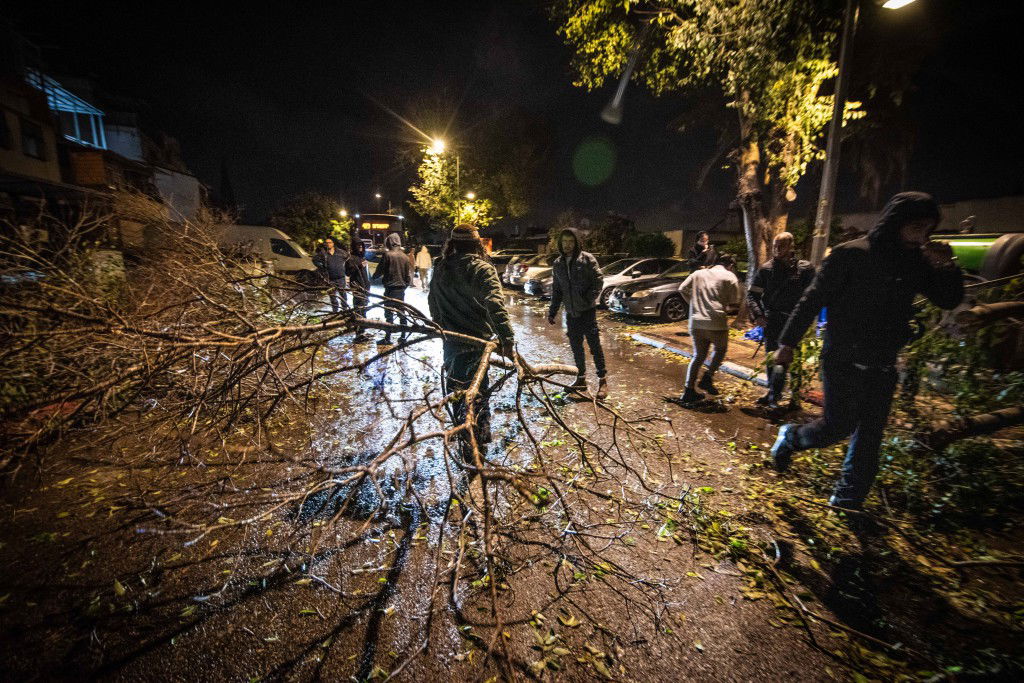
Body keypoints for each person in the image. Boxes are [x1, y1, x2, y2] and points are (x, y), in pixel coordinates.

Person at [770, 192, 964, 511]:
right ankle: (791, 438)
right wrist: (786, 344)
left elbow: (948, 299)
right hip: (843, 358)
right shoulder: (850, 254)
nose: (922, 236)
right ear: (897, 222)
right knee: (838, 426)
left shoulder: (917, 262)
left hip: (884, 362)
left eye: (928, 229)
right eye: (917, 227)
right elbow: (812, 300)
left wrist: (947, 266)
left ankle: (848, 500)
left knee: (871, 435)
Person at [427, 224, 515, 466]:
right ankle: (477, 442)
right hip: (478, 343)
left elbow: (432, 299)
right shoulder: (483, 269)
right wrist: (507, 340)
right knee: (478, 391)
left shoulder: (441, 267)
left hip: (451, 341)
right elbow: (495, 306)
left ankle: (464, 434)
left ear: (452, 244)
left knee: (457, 389)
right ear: (478, 245)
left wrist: (440, 324)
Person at [747, 232, 816, 408]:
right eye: (775, 245)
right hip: (773, 320)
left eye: (781, 245)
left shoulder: (805, 269)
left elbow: (813, 296)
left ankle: (795, 398)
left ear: (791, 246)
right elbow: (752, 295)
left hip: (795, 321)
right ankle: (773, 394)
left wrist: (807, 319)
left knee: (795, 360)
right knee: (773, 358)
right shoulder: (766, 269)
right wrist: (759, 316)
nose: (777, 249)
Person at [547, 228, 608, 399]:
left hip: (587, 312)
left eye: (571, 241)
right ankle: (581, 378)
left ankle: (602, 380)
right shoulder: (558, 263)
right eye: (564, 241)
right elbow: (557, 290)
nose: (567, 245)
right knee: (576, 348)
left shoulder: (587, 259)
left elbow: (598, 280)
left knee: (595, 346)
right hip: (571, 313)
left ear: (577, 242)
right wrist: (552, 311)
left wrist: (588, 299)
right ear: (560, 243)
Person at [677, 253, 741, 403]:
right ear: (730, 265)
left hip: (696, 322)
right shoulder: (730, 277)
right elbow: (733, 304)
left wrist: (693, 303)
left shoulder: (698, 273)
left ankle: (688, 390)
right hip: (716, 322)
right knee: (720, 349)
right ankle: (708, 376)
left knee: (698, 356)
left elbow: (681, 289)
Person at [372, 232, 414, 345]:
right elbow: (408, 276)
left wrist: (372, 278)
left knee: (389, 313)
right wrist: (404, 286)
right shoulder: (405, 256)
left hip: (390, 289)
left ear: (390, 242)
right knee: (401, 312)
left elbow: (379, 270)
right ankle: (403, 336)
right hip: (400, 290)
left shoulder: (388, 255)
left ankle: (388, 337)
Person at [313, 237, 349, 313]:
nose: (328, 244)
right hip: (330, 279)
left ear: (333, 244)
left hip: (340, 278)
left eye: (329, 242)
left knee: (343, 296)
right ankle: (335, 312)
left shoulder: (340, 252)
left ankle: (345, 311)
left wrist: (344, 266)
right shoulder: (323, 253)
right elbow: (314, 260)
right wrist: (321, 266)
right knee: (333, 297)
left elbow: (348, 257)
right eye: (326, 243)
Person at [346, 236, 371, 342]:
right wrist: (359, 266)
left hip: (365, 288)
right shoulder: (351, 258)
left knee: (364, 309)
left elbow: (366, 274)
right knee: (358, 309)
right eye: (358, 245)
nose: (360, 247)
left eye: (361, 245)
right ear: (354, 247)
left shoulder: (363, 257)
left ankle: (363, 330)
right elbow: (348, 272)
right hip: (357, 287)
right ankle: (358, 333)